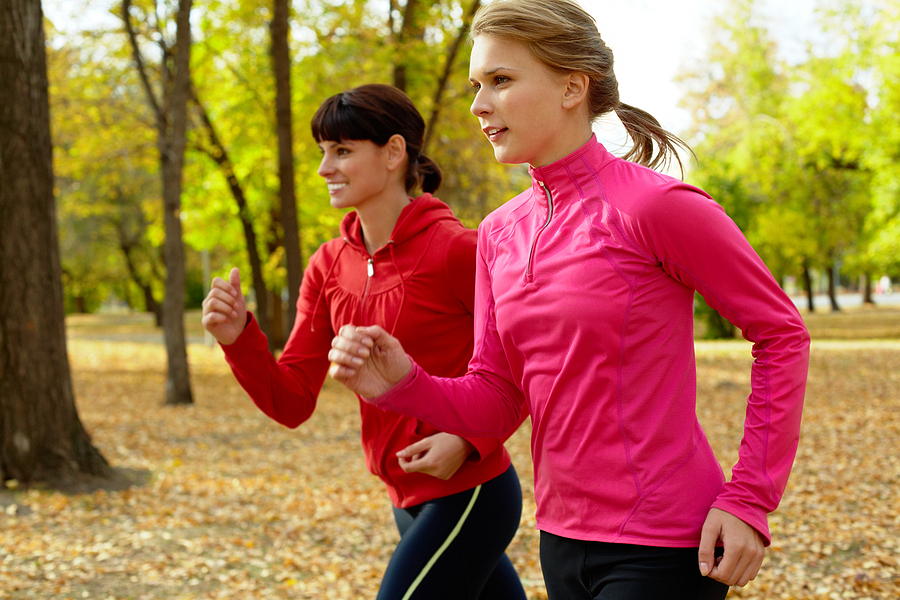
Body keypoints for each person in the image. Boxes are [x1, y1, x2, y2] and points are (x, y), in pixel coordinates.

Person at [326, 2, 811, 599]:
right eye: (478, 85)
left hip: (663, 544)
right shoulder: (500, 234)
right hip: (559, 540)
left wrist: (749, 500)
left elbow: (781, 334)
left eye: (501, 81)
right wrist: (404, 381)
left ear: (571, 87)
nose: (479, 105)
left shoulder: (656, 207)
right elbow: (499, 396)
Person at [201, 83, 526, 600]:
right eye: (323, 152)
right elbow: (291, 402)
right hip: (405, 497)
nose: (324, 168)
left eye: (343, 151)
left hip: (473, 490)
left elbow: (524, 366)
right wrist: (238, 338)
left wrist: (470, 439)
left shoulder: (460, 252)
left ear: (394, 152)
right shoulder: (327, 266)